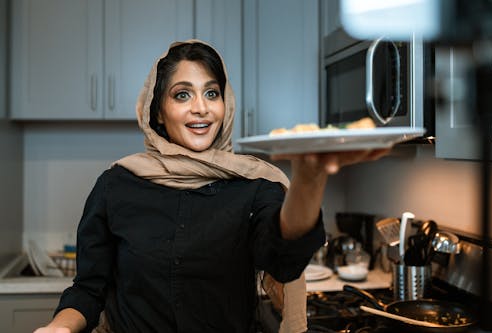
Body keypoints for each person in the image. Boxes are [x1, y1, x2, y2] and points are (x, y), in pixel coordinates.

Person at [34, 40, 389, 333]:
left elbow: (283, 258)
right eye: (182, 95)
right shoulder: (116, 185)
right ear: (157, 111)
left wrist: (309, 178)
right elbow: (88, 289)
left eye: (212, 93)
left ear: (226, 104)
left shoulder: (254, 185)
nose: (201, 109)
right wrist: (59, 328)